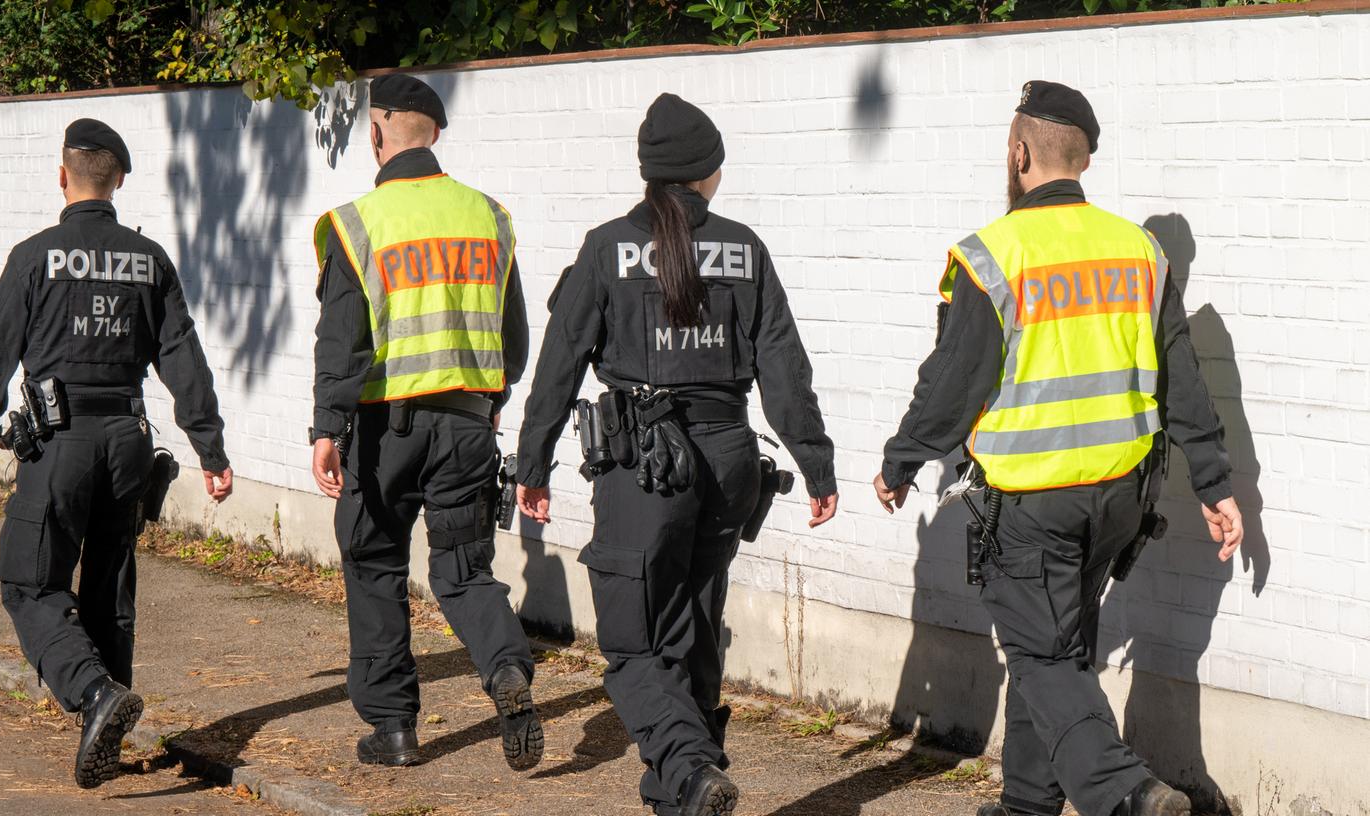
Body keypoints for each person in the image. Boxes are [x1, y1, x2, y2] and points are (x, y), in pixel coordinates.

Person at [872, 81, 1244, 816]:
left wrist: (902, 458)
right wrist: (1215, 484)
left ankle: (1125, 793)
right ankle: (1025, 807)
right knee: (1060, 651)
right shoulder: (1138, 250)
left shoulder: (995, 253)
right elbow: (1182, 378)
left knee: (1042, 659)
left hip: (1034, 505)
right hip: (1119, 500)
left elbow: (953, 380)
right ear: (1083, 159)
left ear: (1019, 153)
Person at [515, 93, 839, 816]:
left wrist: (531, 466)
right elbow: (785, 369)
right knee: (690, 628)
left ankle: (690, 769)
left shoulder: (606, 248)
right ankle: (684, 792)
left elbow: (560, 363)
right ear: (710, 172)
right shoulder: (744, 248)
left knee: (634, 646)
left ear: (649, 172)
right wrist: (817, 465)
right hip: (728, 462)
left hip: (645, 465)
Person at [0, 118, 233, 789]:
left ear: (64, 177)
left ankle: (92, 695)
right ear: (119, 180)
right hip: (128, 443)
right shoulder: (150, 261)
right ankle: (108, 728)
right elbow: (183, 359)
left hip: (62, 444)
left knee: (28, 582)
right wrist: (211, 448)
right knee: (108, 587)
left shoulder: (35, 255)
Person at [310, 73, 542, 772]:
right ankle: (507, 671)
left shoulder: (357, 224)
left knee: (375, 562)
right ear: (434, 132)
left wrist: (327, 426)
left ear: (376, 132)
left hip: (388, 431)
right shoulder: (488, 216)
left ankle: (395, 729)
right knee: (465, 570)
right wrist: (488, 400)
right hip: (470, 423)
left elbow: (342, 340)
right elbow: (515, 338)